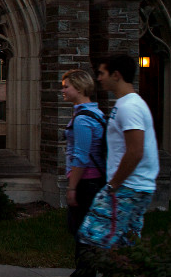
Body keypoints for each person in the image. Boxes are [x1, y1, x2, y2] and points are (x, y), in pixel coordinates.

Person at [78, 54, 160, 254]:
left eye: (102, 73)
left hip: (127, 187)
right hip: (134, 186)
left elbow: (135, 151)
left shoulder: (130, 107)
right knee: (125, 247)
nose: (98, 78)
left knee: (93, 239)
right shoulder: (125, 104)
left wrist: (113, 185)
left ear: (116, 75)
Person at [61, 68, 105, 277]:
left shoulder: (83, 119)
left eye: (66, 86)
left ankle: (85, 271)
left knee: (82, 231)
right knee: (87, 230)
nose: (63, 91)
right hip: (93, 182)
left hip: (86, 183)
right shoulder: (96, 113)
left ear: (79, 88)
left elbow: (81, 156)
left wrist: (72, 187)